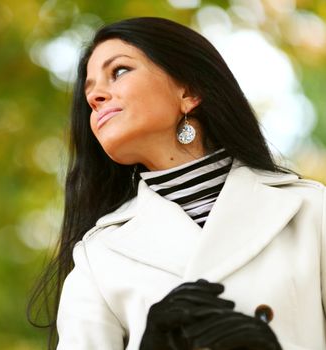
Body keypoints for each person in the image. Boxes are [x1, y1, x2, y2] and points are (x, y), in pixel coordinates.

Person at [27, 17, 326, 350]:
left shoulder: (312, 212)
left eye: (120, 71)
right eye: (89, 90)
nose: (95, 96)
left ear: (189, 92)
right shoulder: (97, 258)